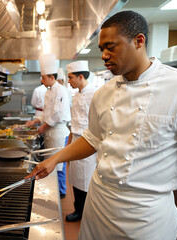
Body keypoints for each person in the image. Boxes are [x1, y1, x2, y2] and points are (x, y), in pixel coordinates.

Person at [26, 10, 177, 240]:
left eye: (111, 47)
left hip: (145, 217)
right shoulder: (104, 92)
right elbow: (93, 139)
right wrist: (55, 159)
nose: (105, 55)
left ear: (139, 41)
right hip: (99, 205)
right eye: (101, 50)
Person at [26, 53, 71, 198]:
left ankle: (62, 192)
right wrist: (35, 121)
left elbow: (58, 113)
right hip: (50, 132)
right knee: (51, 164)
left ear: (52, 78)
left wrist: (44, 126)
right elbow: (46, 113)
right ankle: (55, 190)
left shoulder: (61, 90)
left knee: (58, 165)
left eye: (43, 77)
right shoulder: (48, 92)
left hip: (58, 132)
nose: (41, 80)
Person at [64, 60, 97, 222]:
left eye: (70, 78)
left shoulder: (95, 94)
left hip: (88, 143)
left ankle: (86, 213)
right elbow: (74, 122)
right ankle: (78, 210)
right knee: (76, 180)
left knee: (86, 181)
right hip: (76, 140)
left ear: (81, 76)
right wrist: (69, 142)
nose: (68, 81)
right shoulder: (76, 95)